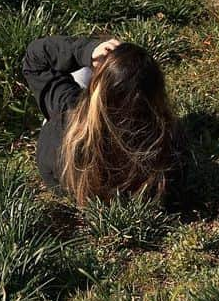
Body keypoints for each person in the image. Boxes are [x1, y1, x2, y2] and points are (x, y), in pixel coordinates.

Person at [21, 34, 180, 206]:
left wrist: (87, 51)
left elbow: (35, 59)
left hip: (64, 177)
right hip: (108, 185)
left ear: (98, 92)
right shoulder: (167, 144)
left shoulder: (67, 115)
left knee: (82, 71)